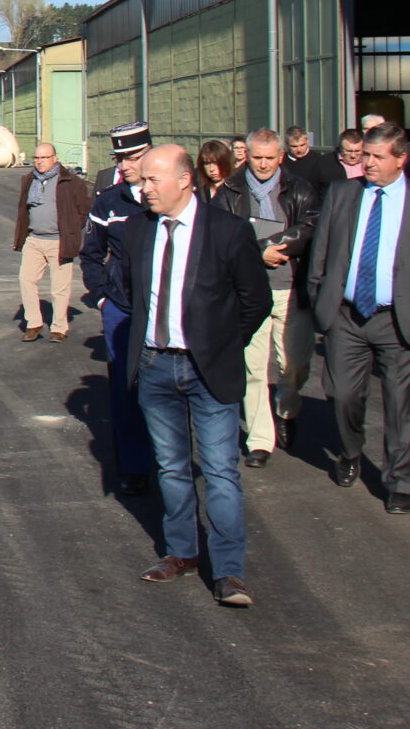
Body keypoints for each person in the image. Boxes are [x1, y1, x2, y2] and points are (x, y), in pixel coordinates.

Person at [127, 145, 271, 607]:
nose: (143, 188)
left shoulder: (227, 232)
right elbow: (133, 291)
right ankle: (182, 553)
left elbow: (256, 300)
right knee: (171, 467)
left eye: (152, 179)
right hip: (155, 365)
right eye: (142, 179)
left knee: (220, 471)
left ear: (185, 180)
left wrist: (223, 346)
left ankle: (229, 571)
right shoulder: (138, 230)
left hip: (208, 368)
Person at [307, 122, 410, 514]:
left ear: (401, 159)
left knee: (400, 404)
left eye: (377, 157)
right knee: (344, 394)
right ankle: (350, 451)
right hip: (346, 316)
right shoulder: (343, 193)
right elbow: (322, 250)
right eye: (364, 154)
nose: (366, 163)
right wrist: (320, 301)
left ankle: (400, 480)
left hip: (395, 319)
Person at [213, 130, 319, 468]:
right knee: (253, 368)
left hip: (291, 289)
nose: (262, 164)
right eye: (257, 157)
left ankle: (287, 408)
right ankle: (260, 440)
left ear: (280, 157)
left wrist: (280, 245)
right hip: (249, 293)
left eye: (269, 158)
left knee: (294, 365)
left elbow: (311, 224)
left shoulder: (300, 188)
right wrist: (259, 251)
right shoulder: (229, 190)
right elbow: (219, 234)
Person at [79, 125, 155, 496]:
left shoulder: (169, 198)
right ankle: (135, 464)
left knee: (168, 386)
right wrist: (103, 297)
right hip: (121, 310)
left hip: (163, 310)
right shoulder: (109, 203)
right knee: (125, 390)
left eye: (132, 157)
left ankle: (168, 457)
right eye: (119, 158)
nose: (123, 165)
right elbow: (91, 254)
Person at [13, 142, 92, 342]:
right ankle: (34, 323)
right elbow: (24, 209)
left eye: (44, 158)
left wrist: (72, 230)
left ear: (55, 159)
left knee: (59, 288)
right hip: (34, 239)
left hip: (59, 241)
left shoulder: (71, 182)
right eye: (37, 158)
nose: (40, 162)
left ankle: (59, 327)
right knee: (26, 280)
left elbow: (84, 210)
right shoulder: (29, 180)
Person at [284, 125, 345, 192]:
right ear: (287, 144)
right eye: (294, 146)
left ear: (307, 141)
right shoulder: (281, 161)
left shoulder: (319, 160)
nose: (299, 150)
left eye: (302, 145)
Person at [95, 122, 151, 191]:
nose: (124, 167)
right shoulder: (107, 198)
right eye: (119, 160)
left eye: (132, 159)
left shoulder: (165, 194)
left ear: (150, 156)